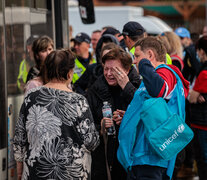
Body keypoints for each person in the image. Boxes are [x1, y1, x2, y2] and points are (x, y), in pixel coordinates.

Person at [13, 49, 100, 180]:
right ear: (70, 72)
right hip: (71, 173)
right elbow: (91, 142)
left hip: (36, 172)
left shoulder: (32, 96)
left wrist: (20, 171)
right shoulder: (78, 101)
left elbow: (20, 139)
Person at [117, 36, 189, 180]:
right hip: (142, 156)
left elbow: (159, 90)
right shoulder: (155, 75)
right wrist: (130, 116)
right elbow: (156, 109)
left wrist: (144, 64)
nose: (135, 61)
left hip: (150, 157)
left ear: (150, 54)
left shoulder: (164, 71)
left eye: (137, 56)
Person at [86, 47, 141, 180]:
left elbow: (147, 116)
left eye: (114, 70)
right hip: (104, 159)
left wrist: (127, 120)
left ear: (127, 71)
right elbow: (85, 125)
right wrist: (101, 127)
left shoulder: (139, 87)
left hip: (132, 157)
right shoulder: (95, 90)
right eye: (106, 69)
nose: (109, 74)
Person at [189, 36, 207, 180]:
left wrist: (195, 93)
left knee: (202, 159)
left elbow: (192, 98)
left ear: (202, 51)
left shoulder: (204, 72)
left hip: (201, 123)